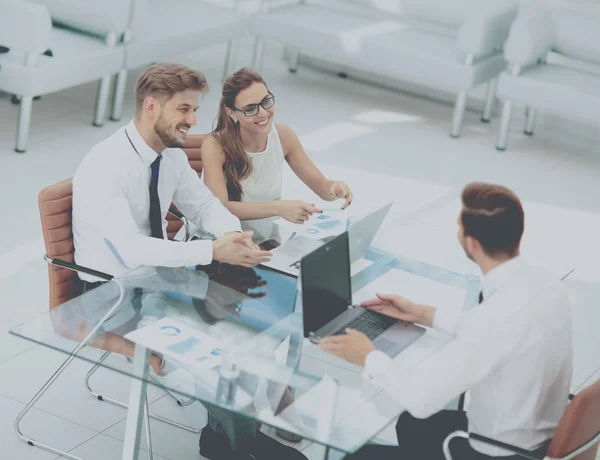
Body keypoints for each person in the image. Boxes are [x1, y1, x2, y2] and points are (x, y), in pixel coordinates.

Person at [72, 63, 306, 460]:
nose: (193, 121)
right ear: (151, 107)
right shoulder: (105, 165)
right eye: (183, 110)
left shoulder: (171, 157)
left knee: (252, 324)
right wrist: (213, 251)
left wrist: (233, 234)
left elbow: (203, 206)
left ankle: (227, 439)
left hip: (162, 280)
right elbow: (130, 250)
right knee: (217, 359)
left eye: (195, 110)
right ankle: (238, 445)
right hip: (112, 293)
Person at [319, 182, 573, 459]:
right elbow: (504, 332)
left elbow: (422, 400)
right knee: (411, 426)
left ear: (471, 243)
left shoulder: (492, 319)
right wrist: (421, 313)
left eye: (458, 228)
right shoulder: (547, 284)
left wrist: (368, 356)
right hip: (535, 435)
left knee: (358, 456)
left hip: (495, 452)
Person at [201, 67, 353, 243]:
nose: (263, 113)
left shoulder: (283, 136)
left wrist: (336, 188)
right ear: (231, 113)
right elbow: (220, 208)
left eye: (266, 101)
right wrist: (278, 208)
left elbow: (324, 190)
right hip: (221, 245)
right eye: (250, 108)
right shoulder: (215, 146)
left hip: (265, 242)